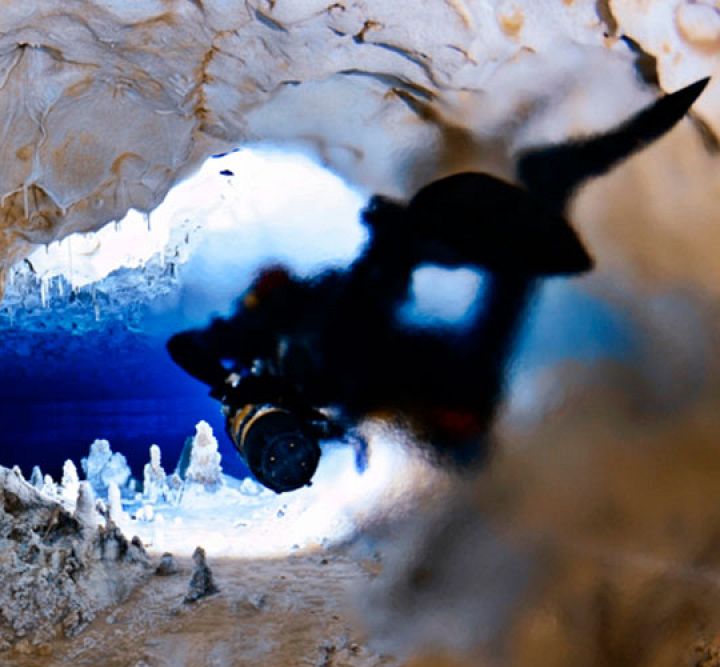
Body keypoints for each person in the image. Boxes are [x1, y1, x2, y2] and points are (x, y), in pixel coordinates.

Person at [167, 77, 709, 493]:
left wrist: (228, 382)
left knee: (394, 316)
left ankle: (438, 229)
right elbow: (360, 406)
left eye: (260, 429)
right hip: (384, 358)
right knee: (468, 410)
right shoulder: (305, 391)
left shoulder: (254, 339)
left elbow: (185, 347)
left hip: (366, 317)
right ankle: (544, 193)